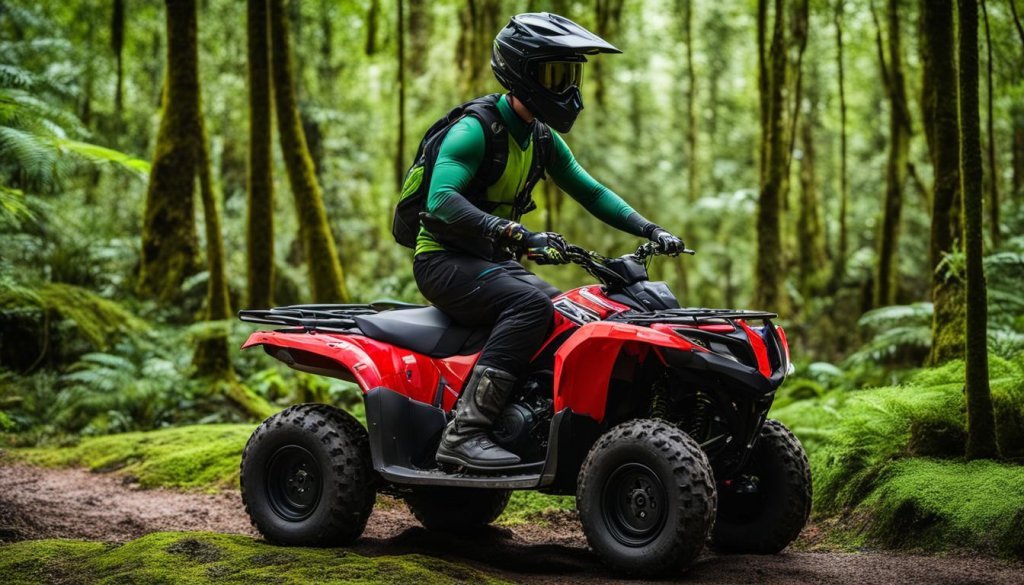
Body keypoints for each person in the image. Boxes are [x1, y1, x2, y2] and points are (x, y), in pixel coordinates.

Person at [415, 13, 685, 469]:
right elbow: (441, 200)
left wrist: (651, 229)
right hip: (443, 260)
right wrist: (512, 231)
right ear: (522, 72)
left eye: (571, 75)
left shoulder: (541, 138)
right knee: (530, 306)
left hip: (491, 263)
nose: (568, 89)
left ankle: (531, 427)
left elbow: (591, 191)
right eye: (556, 75)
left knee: (566, 314)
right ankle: (465, 432)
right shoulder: (475, 129)